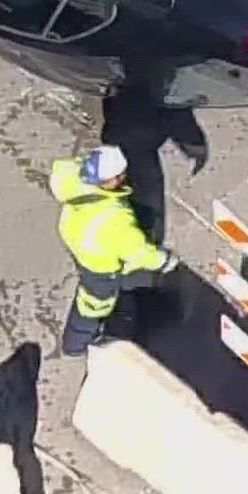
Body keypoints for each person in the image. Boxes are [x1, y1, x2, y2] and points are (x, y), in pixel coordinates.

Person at [49, 146, 179, 356]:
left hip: (77, 238)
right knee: (93, 305)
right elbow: (139, 253)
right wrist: (165, 261)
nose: (124, 177)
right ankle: (76, 344)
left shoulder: (73, 178)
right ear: (108, 180)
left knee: (106, 285)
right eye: (119, 175)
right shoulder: (114, 219)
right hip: (98, 264)